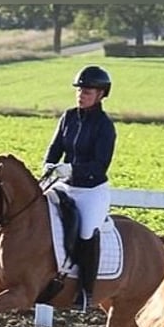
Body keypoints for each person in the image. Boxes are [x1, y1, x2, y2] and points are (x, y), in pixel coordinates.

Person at [43, 64, 116, 310]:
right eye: (80, 90)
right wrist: (49, 165)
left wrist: (72, 169)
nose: (81, 94)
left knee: (85, 232)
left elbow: (99, 165)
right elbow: (55, 148)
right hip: (64, 185)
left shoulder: (105, 126)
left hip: (91, 191)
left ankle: (86, 291)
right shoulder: (69, 116)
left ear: (100, 94)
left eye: (87, 91)